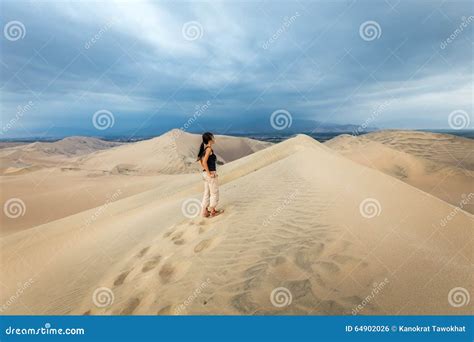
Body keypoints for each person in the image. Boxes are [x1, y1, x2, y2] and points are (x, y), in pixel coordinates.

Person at [197, 132, 223, 218]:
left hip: (205, 173)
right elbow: (204, 162)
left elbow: (201, 161)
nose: (214, 138)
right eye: (213, 137)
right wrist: (210, 174)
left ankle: (204, 211)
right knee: (214, 192)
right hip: (209, 173)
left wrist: (206, 172)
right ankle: (213, 211)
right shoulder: (208, 149)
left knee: (207, 192)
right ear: (209, 139)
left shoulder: (204, 150)